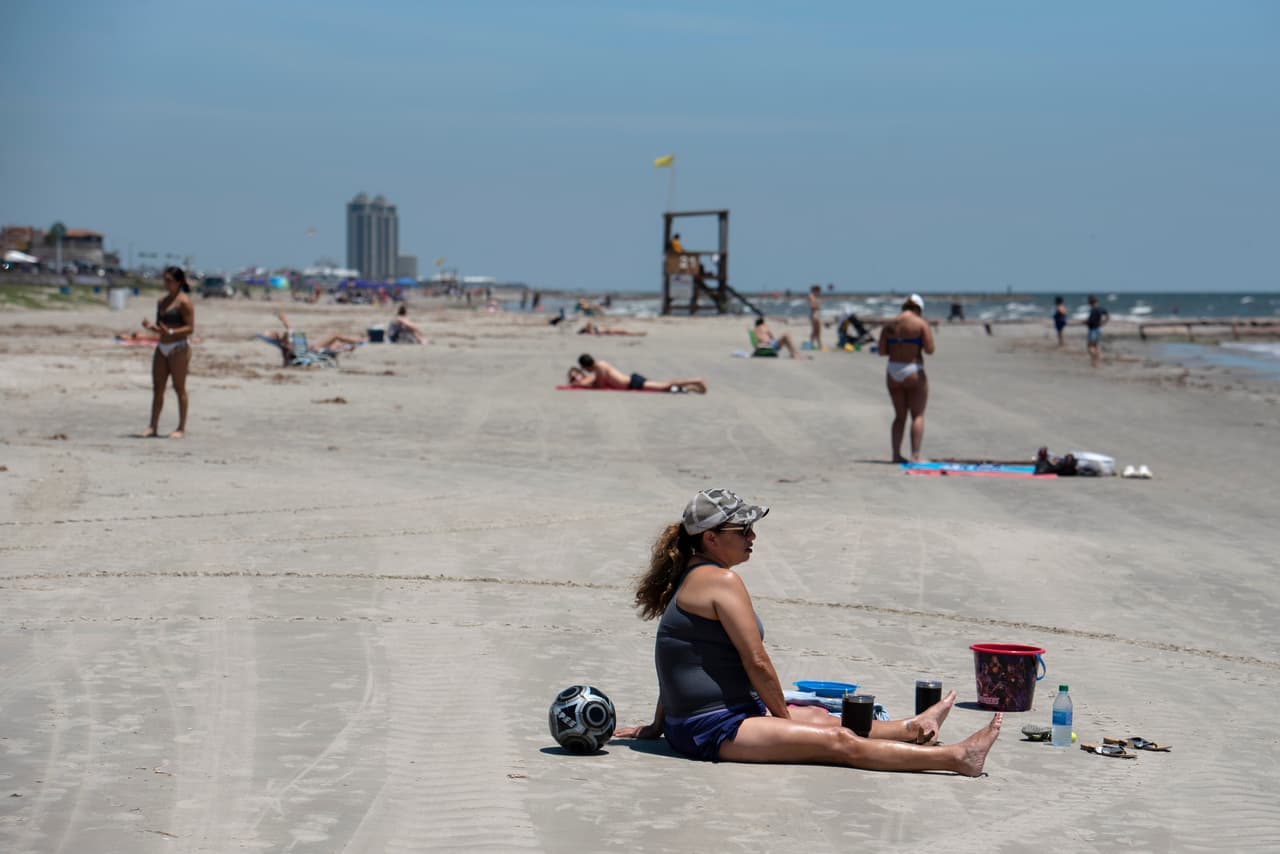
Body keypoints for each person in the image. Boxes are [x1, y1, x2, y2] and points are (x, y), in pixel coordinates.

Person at [614, 488, 1003, 775]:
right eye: (743, 528)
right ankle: (957, 758)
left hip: (714, 718)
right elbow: (756, 660)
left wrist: (658, 723)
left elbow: (676, 662)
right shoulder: (720, 581)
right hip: (711, 729)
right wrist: (784, 719)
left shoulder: (692, 577)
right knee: (839, 742)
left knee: (819, 716)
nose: (753, 536)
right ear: (711, 538)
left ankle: (913, 727)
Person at [878, 294, 935, 462]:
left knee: (899, 416)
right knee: (917, 415)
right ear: (918, 308)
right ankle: (915, 454)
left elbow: (881, 351)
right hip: (913, 369)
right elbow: (930, 349)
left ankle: (896, 454)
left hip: (893, 370)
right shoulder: (920, 323)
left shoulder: (890, 324)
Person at [140, 266, 195, 438]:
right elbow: (161, 327)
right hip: (162, 347)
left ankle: (181, 427)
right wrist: (151, 327)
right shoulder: (161, 302)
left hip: (178, 347)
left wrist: (171, 332)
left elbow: (190, 328)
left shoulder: (184, 302)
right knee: (158, 387)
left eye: (169, 280)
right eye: (164, 279)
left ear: (179, 282)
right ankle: (153, 426)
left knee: (179, 388)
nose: (166, 283)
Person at [572, 353, 707, 394]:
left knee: (665, 385)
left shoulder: (600, 367)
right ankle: (691, 388)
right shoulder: (600, 365)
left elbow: (600, 386)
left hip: (632, 383)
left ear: (586, 366)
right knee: (664, 389)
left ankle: (696, 380)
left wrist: (587, 384)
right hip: (631, 382)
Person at [1085, 294, 1109, 367]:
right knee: (1096, 346)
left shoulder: (1093, 310)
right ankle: (1096, 362)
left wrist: (1086, 322)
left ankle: (1094, 361)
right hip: (1098, 328)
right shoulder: (1100, 308)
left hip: (1093, 329)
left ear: (1090, 302)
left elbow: (1091, 321)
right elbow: (1107, 315)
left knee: (1090, 346)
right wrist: (1104, 322)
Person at [807, 285, 823, 350]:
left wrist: (819, 302)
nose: (819, 292)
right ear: (815, 290)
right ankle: (819, 345)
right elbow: (812, 306)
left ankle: (812, 344)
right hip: (814, 314)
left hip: (816, 313)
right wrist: (818, 303)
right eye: (819, 291)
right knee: (816, 330)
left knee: (816, 331)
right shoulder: (811, 296)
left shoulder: (815, 296)